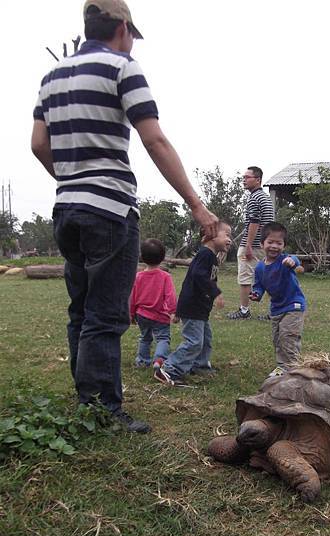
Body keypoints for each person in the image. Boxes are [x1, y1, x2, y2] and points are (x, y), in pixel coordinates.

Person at [31, 0, 218, 433]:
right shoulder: (122, 67)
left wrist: (72, 178)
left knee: (80, 309)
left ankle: (86, 402)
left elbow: (39, 144)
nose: (132, 43)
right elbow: (154, 139)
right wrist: (195, 202)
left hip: (67, 208)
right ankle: (102, 411)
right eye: (132, 35)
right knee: (106, 315)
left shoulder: (51, 76)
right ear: (122, 28)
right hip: (110, 210)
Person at [155, 222, 232, 385]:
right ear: (211, 235)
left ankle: (200, 365)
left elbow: (195, 280)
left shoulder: (212, 257)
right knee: (194, 341)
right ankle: (169, 368)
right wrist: (216, 292)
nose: (230, 239)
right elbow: (198, 276)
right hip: (193, 308)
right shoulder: (205, 254)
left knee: (206, 338)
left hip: (200, 309)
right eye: (227, 235)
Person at [249, 222, 307, 377]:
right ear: (262, 244)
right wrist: (256, 294)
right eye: (270, 242)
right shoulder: (260, 268)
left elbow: (295, 260)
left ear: (283, 246)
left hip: (294, 305)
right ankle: (282, 366)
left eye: (279, 243)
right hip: (276, 308)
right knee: (277, 339)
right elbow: (259, 286)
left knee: (288, 336)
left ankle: (294, 368)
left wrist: (293, 261)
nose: (274, 246)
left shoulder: (285, 260)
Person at [227, 166, 275, 320]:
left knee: (245, 278)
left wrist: (248, 245)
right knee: (270, 278)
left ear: (258, 180)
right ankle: (276, 311)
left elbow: (254, 222)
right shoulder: (265, 197)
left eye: (247, 177)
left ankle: (244, 310)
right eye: (243, 177)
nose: (244, 180)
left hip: (253, 245)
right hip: (265, 244)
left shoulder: (254, 198)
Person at [129, 239, 177, 369]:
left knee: (145, 337)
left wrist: (131, 314)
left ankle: (142, 361)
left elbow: (132, 298)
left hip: (142, 315)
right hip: (160, 315)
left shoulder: (137, 277)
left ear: (142, 258)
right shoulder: (165, 276)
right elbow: (170, 296)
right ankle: (159, 359)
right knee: (163, 338)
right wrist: (173, 312)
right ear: (162, 258)